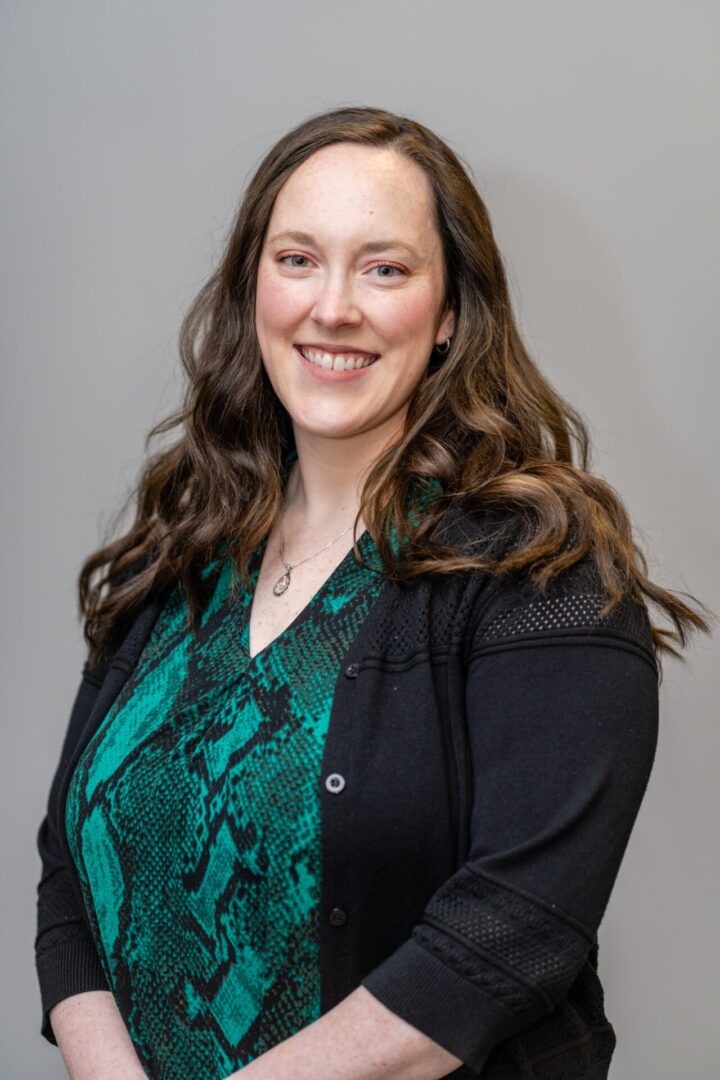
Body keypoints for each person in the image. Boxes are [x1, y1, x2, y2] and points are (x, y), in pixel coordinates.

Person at [34, 105, 713, 1080]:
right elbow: (71, 869)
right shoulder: (178, 555)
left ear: (448, 315)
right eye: (298, 259)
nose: (333, 306)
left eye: (384, 268)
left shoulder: (543, 573)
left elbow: (509, 932)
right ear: (252, 288)